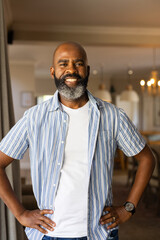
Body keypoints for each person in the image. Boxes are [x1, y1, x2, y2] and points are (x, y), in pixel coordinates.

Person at [0, 42, 155, 240]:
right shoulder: (34, 118)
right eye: (63, 64)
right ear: (52, 71)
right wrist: (20, 214)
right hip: (49, 235)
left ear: (87, 70)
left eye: (78, 63)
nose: (71, 69)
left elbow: (147, 159)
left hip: (99, 234)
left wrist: (128, 208)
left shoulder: (113, 116)